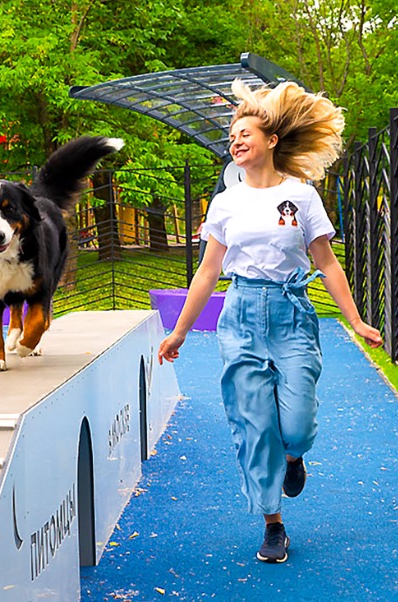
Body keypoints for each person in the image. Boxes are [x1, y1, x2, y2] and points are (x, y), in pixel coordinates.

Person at [157, 79, 383, 564]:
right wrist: (179, 330)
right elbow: (208, 271)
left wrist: (356, 320)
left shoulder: (302, 197)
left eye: (245, 134)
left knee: (296, 425)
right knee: (255, 426)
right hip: (241, 315)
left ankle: (295, 456)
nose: (236, 142)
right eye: (232, 137)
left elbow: (327, 263)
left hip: (291, 314)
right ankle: (273, 523)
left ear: (272, 141)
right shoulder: (226, 202)